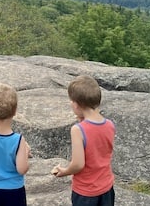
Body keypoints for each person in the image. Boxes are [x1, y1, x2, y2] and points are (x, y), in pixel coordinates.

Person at [52, 75, 115, 206]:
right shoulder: (109, 124)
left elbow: (78, 165)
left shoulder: (78, 130)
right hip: (107, 188)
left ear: (75, 105)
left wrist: (65, 171)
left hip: (86, 193)